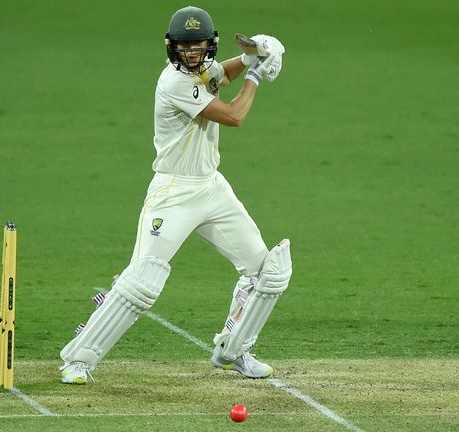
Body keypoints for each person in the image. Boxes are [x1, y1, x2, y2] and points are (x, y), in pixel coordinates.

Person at [59, 6, 292, 384]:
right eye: (185, 46)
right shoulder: (174, 82)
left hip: (212, 187)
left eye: (198, 45)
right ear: (172, 47)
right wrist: (255, 74)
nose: (192, 52)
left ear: (209, 44)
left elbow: (220, 74)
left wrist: (251, 56)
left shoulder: (202, 69)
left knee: (267, 272)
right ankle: (78, 360)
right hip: (173, 192)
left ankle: (234, 350)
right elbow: (234, 115)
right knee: (141, 282)